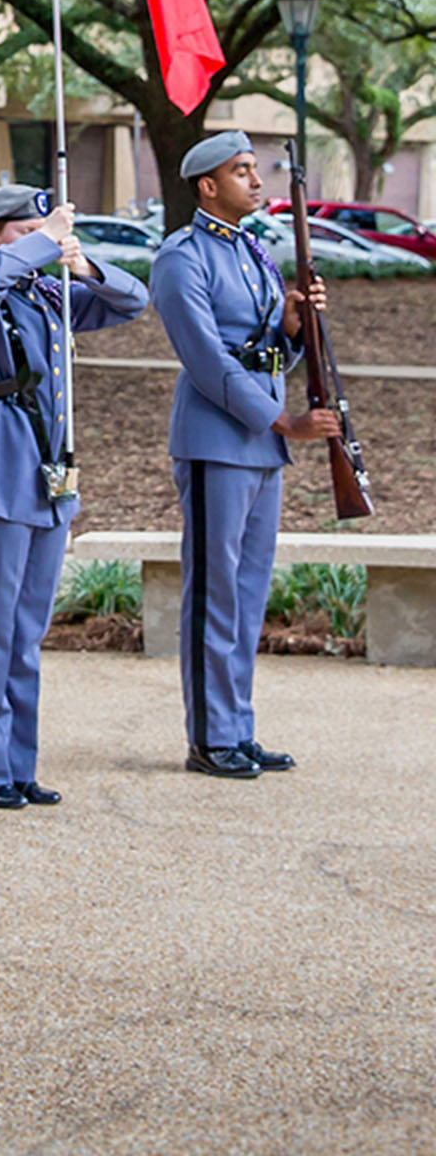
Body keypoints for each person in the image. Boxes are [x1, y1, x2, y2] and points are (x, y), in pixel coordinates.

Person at [0, 184, 149, 809]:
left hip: (49, 477)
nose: (43, 239)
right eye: (25, 229)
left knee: (28, 628)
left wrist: (81, 262)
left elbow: (133, 301)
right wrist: (41, 243)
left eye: (46, 229)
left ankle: (19, 762)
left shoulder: (50, 294)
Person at [150, 131, 335, 780]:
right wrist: (281, 418)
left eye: (256, 169)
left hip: (262, 443)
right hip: (216, 438)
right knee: (215, 591)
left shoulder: (255, 252)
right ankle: (209, 737)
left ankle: (238, 727)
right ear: (208, 186)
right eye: (242, 171)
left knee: (249, 592)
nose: (257, 181)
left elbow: (264, 352)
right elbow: (204, 359)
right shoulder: (182, 257)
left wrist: (292, 332)